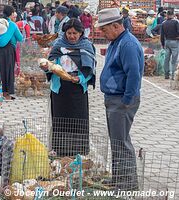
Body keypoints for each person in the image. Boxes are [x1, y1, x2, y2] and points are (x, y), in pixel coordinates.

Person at [96, 8, 144, 190]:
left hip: (122, 100)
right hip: (114, 98)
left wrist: (127, 99)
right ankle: (118, 178)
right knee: (116, 141)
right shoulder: (117, 41)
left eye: (105, 29)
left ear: (116, 26)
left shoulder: (128, 44)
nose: (103, 33)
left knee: (121, 142)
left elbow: (134, 74)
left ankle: (127, 184)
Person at [40, 18, 96, 157]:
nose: (71, 36)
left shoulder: (87, 46)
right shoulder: (58, 45)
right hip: (60, 89)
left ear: (81, 33)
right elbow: (52, 66)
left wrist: (80, 78)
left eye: (75, 33)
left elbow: (90, 69)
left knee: (77, 119)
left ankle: (78, 151)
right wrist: (47, 67)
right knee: (60, 119)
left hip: (77, 89)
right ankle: (60, 150)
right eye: (69, 33)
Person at [0, 5, 23, 101]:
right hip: (8, 51)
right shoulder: (12, 25)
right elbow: (20, 38)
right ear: (12, 13)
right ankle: (6, 94)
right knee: (8, 71)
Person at [161, 10, 179, 80]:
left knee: (166, 59)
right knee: (174, 60)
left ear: (167, 15)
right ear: (173, 15)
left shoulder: (163, 23)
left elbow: (162, 35)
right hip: (175, 42)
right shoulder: (176, 22)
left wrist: (163, 44)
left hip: (167, 42)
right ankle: (173, 75)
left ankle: (166, 74)